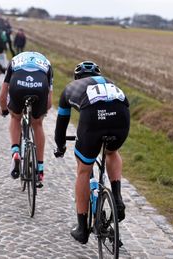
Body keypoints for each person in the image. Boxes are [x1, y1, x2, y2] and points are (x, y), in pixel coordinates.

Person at [54, 61, 130, 244]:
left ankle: (82, 228)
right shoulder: (110, 82)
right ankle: (117, 197)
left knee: (84, 169)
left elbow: (61, 124)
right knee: (112, 152)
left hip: (93, 119)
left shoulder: (70, 88)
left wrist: (61, 146)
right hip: (121, 117)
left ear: (77, 78)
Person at [0, 51, 53, 188]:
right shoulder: (46, 63)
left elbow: (3, 93)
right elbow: (49, 102)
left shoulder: (15, 60)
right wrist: (39, 115)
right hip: (39, 87)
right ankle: (39, 169)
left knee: (15, 118)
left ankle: (15, 151)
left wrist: (5, 109)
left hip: (19, 84)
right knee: (37, 124)